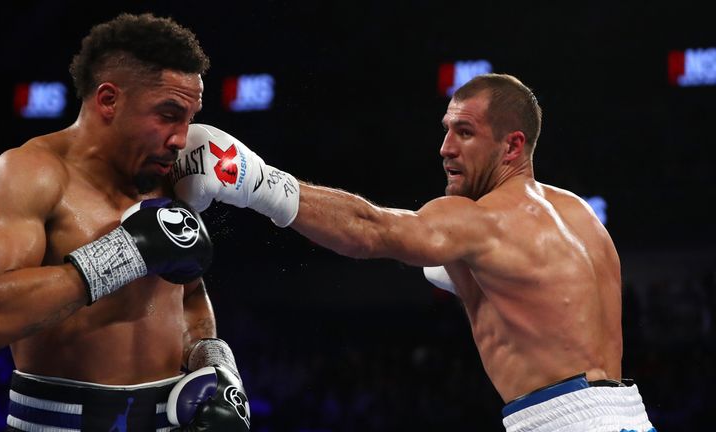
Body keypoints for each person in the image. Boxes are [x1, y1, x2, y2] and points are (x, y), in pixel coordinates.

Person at [168, 74, 656, 431]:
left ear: (512, 146)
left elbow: (371, 229)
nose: (445, 148)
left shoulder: (481, 221)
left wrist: (251, 180)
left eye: (464, 133)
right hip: (630, 416)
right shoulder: (579, 215)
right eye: (446, 129)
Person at [0, 13, 250, 431]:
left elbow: (189, 298)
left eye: (189, 118)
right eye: (169, 114)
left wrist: (217, 369)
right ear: (108, 100)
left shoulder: (168, 177)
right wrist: (123, 253)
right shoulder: (28, 172)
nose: (181, 137)